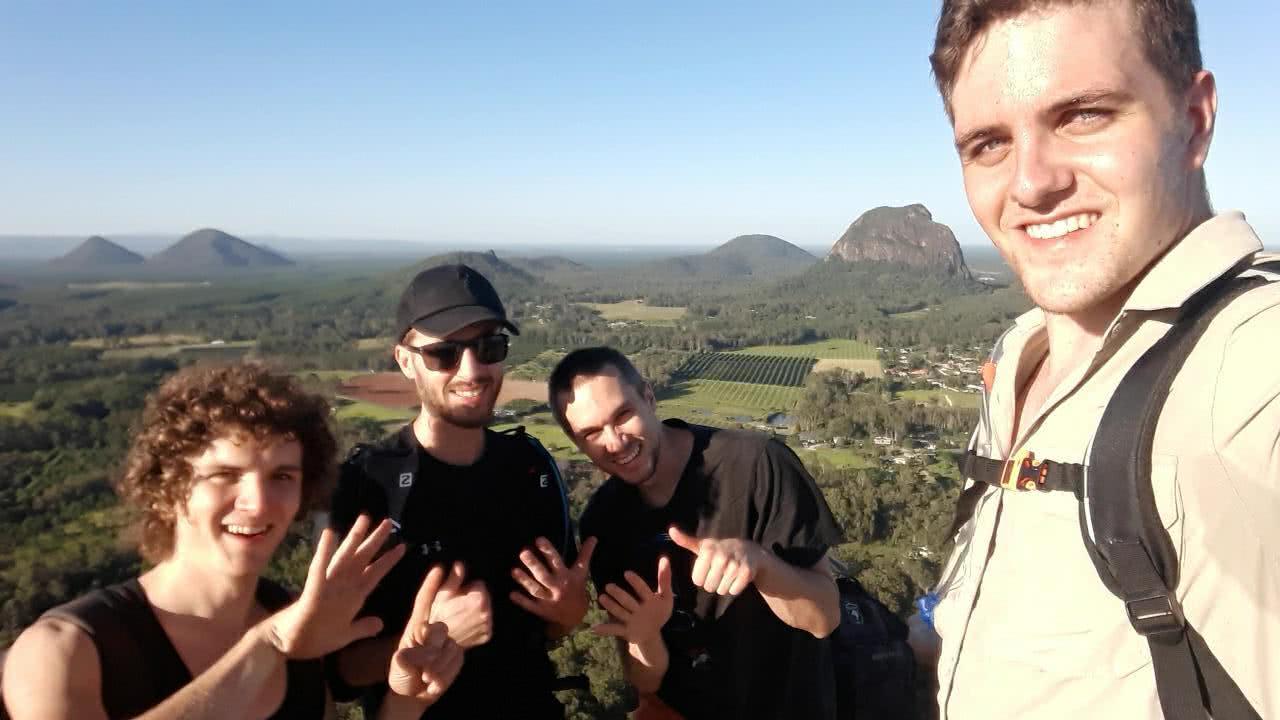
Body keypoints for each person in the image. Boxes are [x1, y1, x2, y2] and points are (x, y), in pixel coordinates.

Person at [920, 1, 1280, 718]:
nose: (1030, 183)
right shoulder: (1019, 354)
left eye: (1082, 115)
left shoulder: (1248, 361)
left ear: (1196, 119)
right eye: (987, 143)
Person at [0, 363, 463, 719]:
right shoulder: (68, 651)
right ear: (168, 486)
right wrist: (269, 645)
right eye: (225, 475)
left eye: (282, 476)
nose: (258, 503)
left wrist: (407, 700)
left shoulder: (296, 626)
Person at [329, 264, 593, 719]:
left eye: (490, 347)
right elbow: (339, 670)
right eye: (444, 354)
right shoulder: (368, 486)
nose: (472, 370)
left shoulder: (532, 469)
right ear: (406, 360)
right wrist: (430, 638)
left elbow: (546, 628)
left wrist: (568, 614)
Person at [550, 347, 844, 720]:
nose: (615, 442)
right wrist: (644, 636)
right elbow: (646, 681)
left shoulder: (758, 465)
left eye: (623, 415)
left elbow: (824, 618)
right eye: (591, 433)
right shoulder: (603, 524)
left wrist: (761, 563)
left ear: (648, 397)